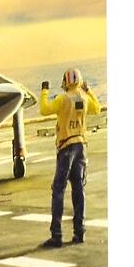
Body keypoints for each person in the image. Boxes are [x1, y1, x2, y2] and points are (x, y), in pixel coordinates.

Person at [39, 68, 101, 247]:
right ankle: (79, 232)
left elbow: (44, 110)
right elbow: (97, 109)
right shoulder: (85, 99)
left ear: (66, 82)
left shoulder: (63, 99)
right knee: (78, 189)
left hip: (66, 147)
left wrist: (44, 91)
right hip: (81, 146)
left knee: (58, 190)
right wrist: (89, 90)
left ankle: (56, 235)